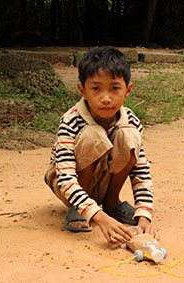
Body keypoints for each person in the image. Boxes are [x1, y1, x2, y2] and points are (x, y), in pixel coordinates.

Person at [45, 46, 156, 244]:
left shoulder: (131, 121)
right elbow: (65, 177)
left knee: (127, 134)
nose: (106, 98)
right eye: (96, 89)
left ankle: (112, 202)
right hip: (70, 185)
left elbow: (141, 170)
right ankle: (78, 208)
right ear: (82, 90)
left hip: (106, 177)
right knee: (91, 135)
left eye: (115, 88)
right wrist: (99, 217)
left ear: (127, 90)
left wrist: (144, 214)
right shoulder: (71, 120)